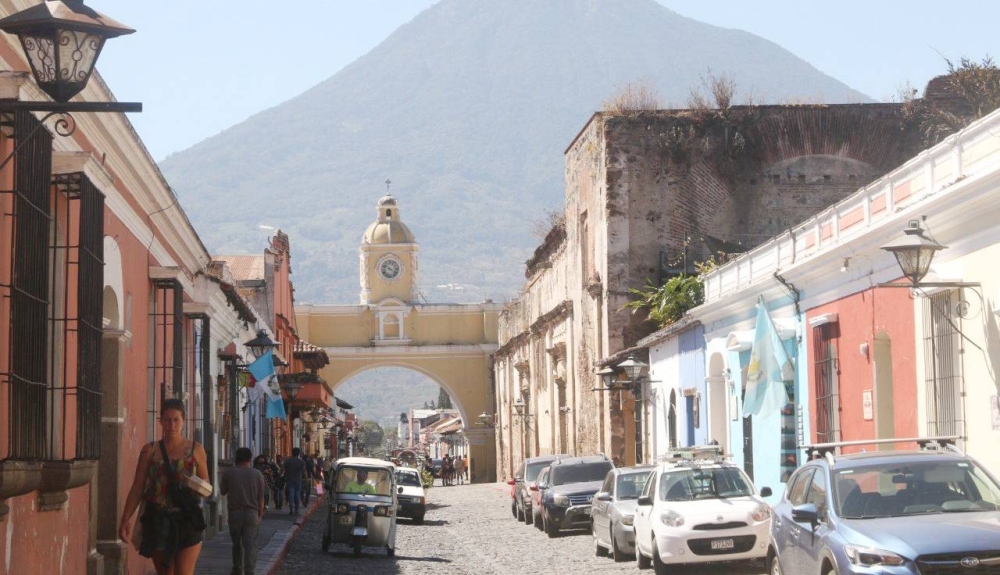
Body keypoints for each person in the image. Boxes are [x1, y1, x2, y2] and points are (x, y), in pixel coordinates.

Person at [118, 398, 210, 575]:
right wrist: (125, 518)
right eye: (167, 420)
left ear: (183, 421)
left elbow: (206, 487)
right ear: (160, 421)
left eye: (176, 420)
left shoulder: (195, 450)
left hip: (187, 519)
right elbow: (138, 487)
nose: (172, 425)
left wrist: (192, 484)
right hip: (158, 520)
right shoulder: (149, 451)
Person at [221, 448, 265, 575]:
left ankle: (237, 568)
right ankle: (249, 569)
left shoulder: (229, 473)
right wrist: (260, 514)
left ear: (236, 458)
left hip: (235, 513)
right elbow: (261, 498)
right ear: (250, 459)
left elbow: (223, 491)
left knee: (236, 543)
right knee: (250, 543)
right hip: (252, 513)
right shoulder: (257, 475)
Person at [282, 448, 306, 515]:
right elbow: (304, 471)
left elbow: (282, 469)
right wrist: (306, 479)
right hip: (298, 479)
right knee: (297, 494)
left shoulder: (288, 461)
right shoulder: (301, 461)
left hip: (289, 479)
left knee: (291, 494)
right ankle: (296, 510)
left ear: (292, 453)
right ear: (298, 453)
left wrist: (282, 474)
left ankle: (291, 509)